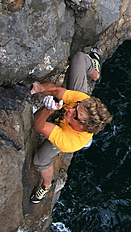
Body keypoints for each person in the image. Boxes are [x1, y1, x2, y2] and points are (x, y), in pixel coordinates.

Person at [30, 50, 112, 204]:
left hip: (68, 133)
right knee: (79, 58)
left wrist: (48, 109)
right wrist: (40, 88)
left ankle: (47, 185)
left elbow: (37, 124)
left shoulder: (69, 141)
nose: (71, 109)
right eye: (77, 107)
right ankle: (95, 74)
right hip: (74, 122)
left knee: (40, 161)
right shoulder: (81, 102)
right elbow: (55, 90)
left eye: (76, 114)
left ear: (81, 126)